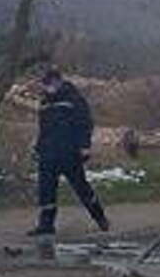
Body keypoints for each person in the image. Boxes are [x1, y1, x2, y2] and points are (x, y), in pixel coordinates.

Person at [28, 67, 108, 236]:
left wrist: (84, 146)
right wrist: (37, 147)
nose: (46, 88)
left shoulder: (73, 99)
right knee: (46, 190)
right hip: (48, 153)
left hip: (69, 152)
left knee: (81, 188)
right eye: (44, 85)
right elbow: (44, 129)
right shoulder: (45, 103)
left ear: (58, 82)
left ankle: (99, 217)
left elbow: (85, 123)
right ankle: (46, 226)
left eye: (49, 84)